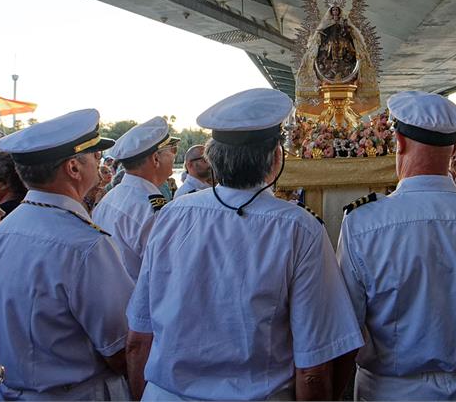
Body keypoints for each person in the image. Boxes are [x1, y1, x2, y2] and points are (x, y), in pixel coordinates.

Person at [126, 89, 364, 401]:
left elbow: (138, 341)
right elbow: (313, 367)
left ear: (212, 158)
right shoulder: (299, 228)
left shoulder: (170, 215)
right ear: (277, 157)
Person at [337, 91, 456, 400]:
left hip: (390, 391)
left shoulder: (362, 225)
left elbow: (345, 331)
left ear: (398, 142)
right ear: (454, 148)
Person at [0, 109, 133, 400]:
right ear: (73, 168)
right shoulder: (85, 245)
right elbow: (122, 349)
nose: (100, 165)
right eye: (96, 157)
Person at [92, 117, 179, 281]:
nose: (174, 156)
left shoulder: (110, 198)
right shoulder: (150, 209)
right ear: (156, 159)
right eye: (172, 150)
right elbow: (168, 272)